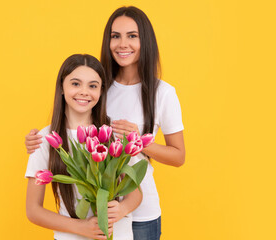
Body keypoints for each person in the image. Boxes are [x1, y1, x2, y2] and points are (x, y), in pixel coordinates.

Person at [25, 6, 185, 240]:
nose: (123, 44)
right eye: (115, 36)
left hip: (137, 211)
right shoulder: (98, 84)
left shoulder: (162, 93)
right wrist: (37, 141)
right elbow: (68, 123)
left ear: (145, 40)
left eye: (132, 36)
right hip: (88, 220)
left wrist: (136, 142)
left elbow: (178, 156)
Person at [25, 54, 142, 240]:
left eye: (93, 86)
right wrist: (81, 227)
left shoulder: (114, 132)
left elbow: (135, 194)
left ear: (101, 91)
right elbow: (33, 210)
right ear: (62, 87)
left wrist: (122, 209)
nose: (84, 92)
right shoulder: (44, 139)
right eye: (75, 84)